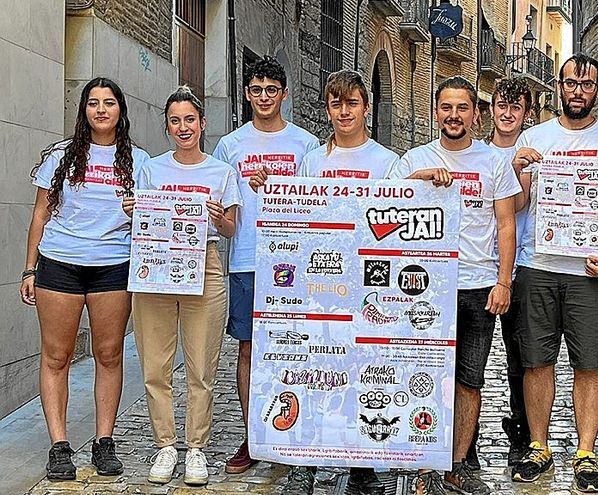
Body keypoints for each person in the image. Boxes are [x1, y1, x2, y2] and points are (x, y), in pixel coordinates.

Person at [247, 69, 397, 495]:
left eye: (352, 103)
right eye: (336, 104)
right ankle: (303, 464)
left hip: (367, 288)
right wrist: (271, 189)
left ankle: (362, 467)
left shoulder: (387, 162)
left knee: (362, 375)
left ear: (366, 108)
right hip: (316, 286)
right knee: (310, 371)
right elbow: (294, 217)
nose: (344, 112)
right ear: (327, 108)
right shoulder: (313, 161)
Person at [510, 53, 598, 494]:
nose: (578, 91)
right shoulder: (533, 137)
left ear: (597, 89)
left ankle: (586, 452)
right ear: (559, 86)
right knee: (537, 362)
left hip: (591, 272)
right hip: (538, 266)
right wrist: (517, 172)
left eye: (586, 84)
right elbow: (519, 205)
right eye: (571, 83)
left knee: (590, 363)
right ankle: (539, 446)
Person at [389, 76, 520, 495]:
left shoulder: (493, 162)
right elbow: (381, 209)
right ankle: (425, 461)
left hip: (479, 285)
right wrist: (419, 179)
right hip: (422, 287)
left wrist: (504, 281)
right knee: (423, 375)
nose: (454, 116)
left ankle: (458, 463)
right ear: (435, 112)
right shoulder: (413, 159)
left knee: (470, 379)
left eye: (462, 108)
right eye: (446, 108)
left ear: (475, 114)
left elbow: (505, 223)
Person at [20, 77, 149, 481]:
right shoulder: (61, 155)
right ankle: (59, 446)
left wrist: (138, 211)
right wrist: (29, 268)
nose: (100, 110)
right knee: (56, 357)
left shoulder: (140, 162)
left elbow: (155, 221)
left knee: (108, 355)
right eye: (92, 103)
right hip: (59, 263)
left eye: (109, 103)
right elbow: (41, 214)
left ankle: (103, 441)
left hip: (113, 266)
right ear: (84, 110)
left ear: (120, 111)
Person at [126, 87, 242, 486]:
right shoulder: (152, 170)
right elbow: (141, 224)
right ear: (168, 126)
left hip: (205, 265)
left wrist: (217, 216)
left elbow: (230, 229)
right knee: (155, 364)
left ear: (202, 123)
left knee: (201, 365)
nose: (183, 127)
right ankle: (164, 445)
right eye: (175, 121)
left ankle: (195, 448)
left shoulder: (221, 173)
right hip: (157, 266)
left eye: (189, 119)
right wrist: (134, 211)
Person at [214, 55, 320, 476]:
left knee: (296, 346)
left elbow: (317, 202)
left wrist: (279, 186)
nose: (263, 97)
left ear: (284, 94)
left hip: (296, 260)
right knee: (249, 348)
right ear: (246, 94)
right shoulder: (230, 145)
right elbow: (226, 210)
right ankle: (252, 433)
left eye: (271, 91)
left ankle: (292, 431)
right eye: (256, 90)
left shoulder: (305, 144)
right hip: (247, 257)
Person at [484, 76, 534, 467]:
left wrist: (520, 168)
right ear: (491, 109)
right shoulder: (479, 153)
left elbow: (519, 205)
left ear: (525, 114)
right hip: (483, 268)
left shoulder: (530, 153)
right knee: (475, 355)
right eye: (502, 105)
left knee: (519, 354)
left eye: (515, 107)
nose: (507, 113)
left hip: (521, 267)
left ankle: (521, 426)